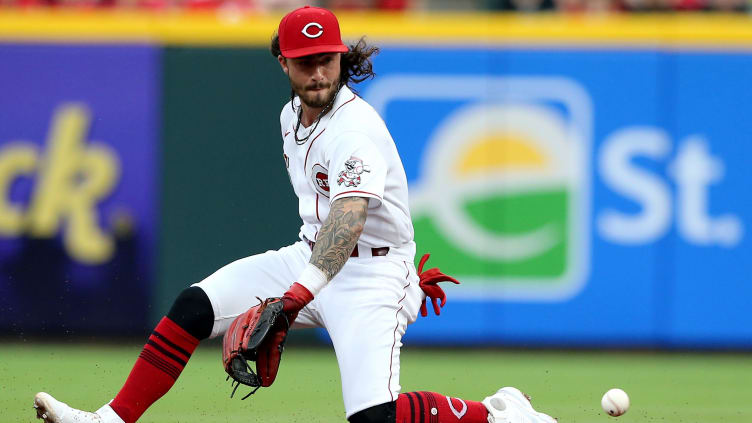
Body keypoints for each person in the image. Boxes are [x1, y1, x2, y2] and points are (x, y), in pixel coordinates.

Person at [33, 5, 557, 423]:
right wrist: (298, 285)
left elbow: (349, 219)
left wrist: (295, 297)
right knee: (194, 306)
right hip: (310, 255)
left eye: (326, 58)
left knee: (375, 416)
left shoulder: (354, 130)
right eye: (304, 60)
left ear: (341, 59)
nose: (317, 71)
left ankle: (497, 414)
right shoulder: (291, 114)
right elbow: (326, 228)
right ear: (282, 62)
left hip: (372, 273)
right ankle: (107, 420)